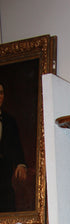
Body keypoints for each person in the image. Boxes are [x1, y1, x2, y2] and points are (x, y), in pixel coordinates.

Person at [0, 83, 27, 212]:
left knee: (7, 201)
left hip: (4, 169)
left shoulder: (9, 120)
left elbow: (16, 144)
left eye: (1, 93)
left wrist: (21, 164)